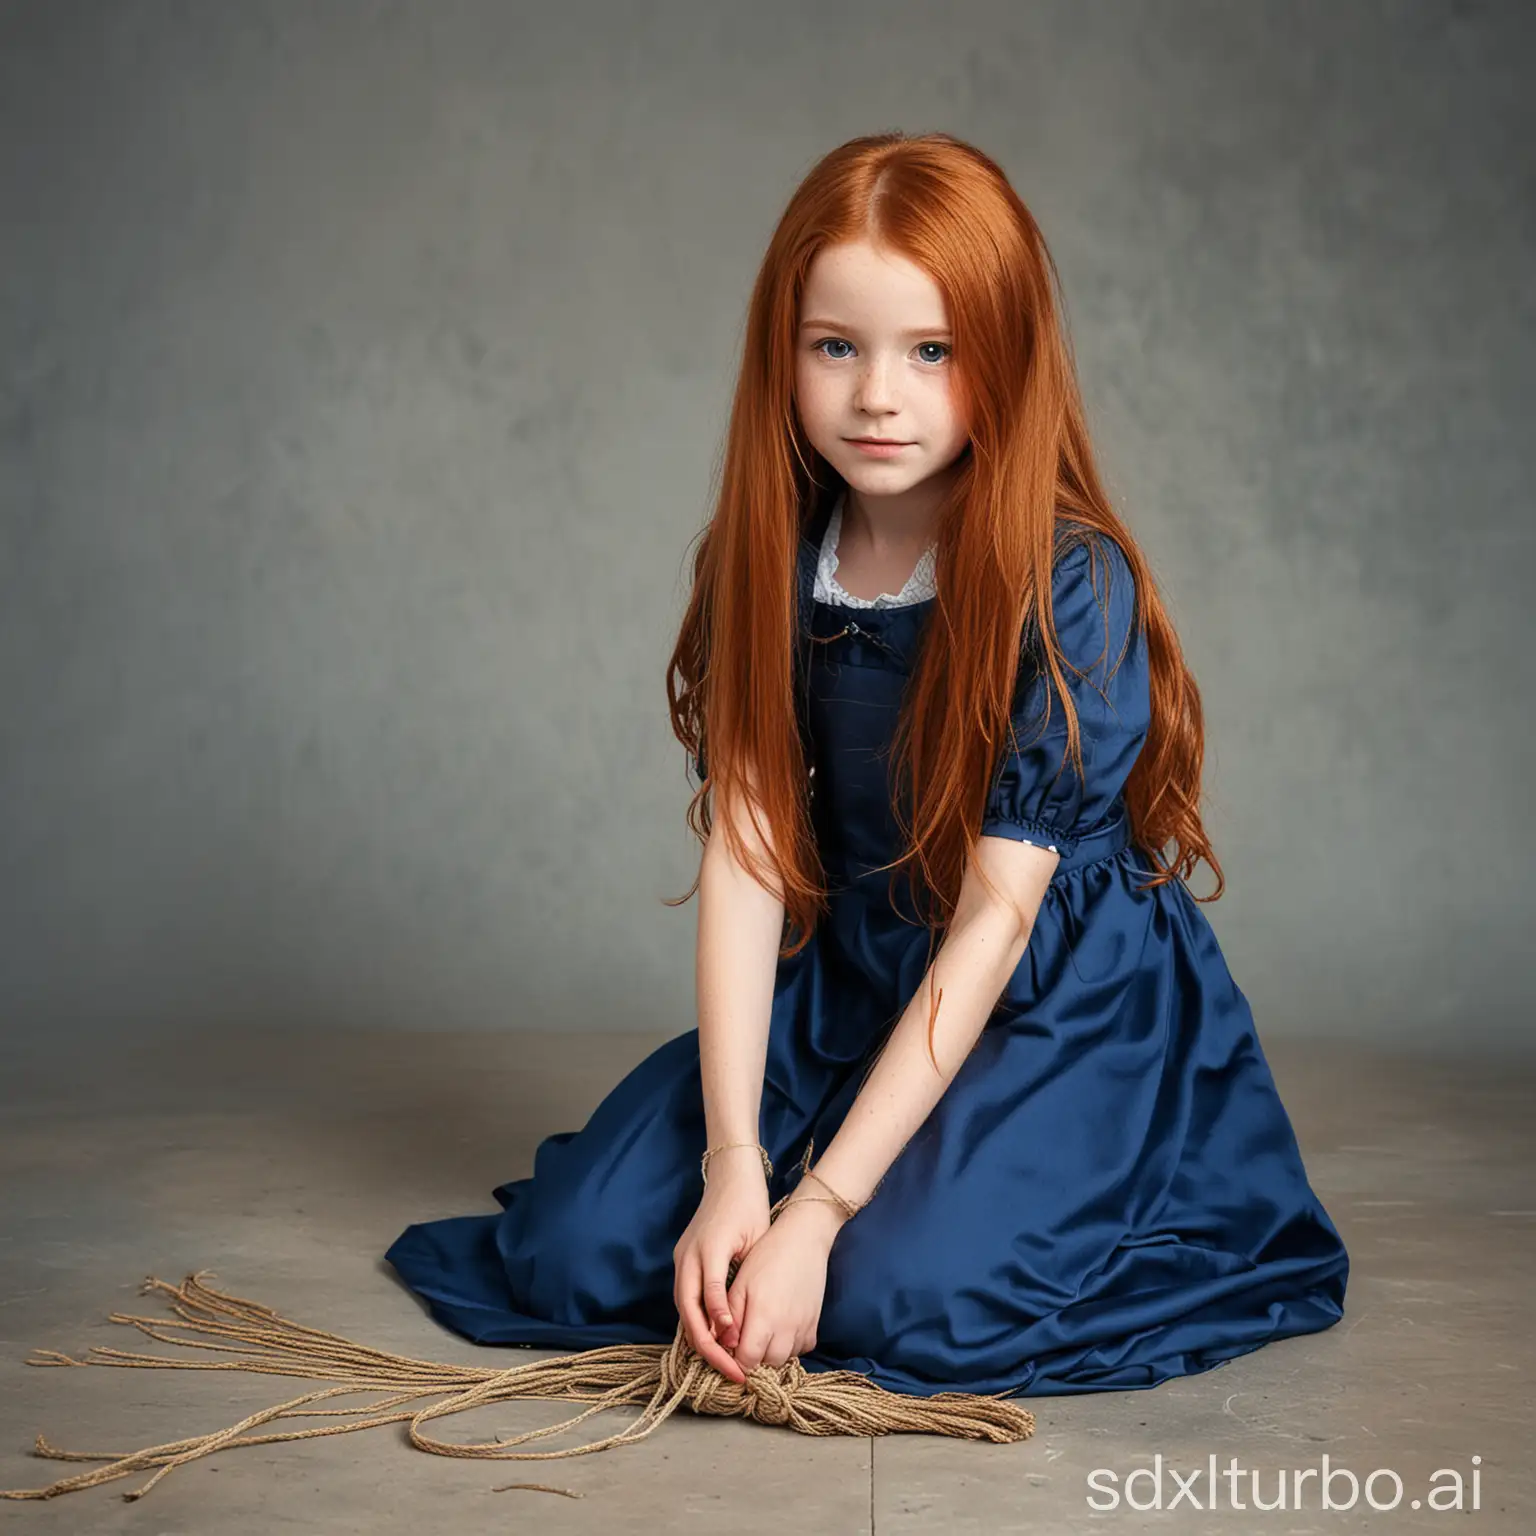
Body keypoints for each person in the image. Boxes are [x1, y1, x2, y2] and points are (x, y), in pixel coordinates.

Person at [385, 131, 1349, 1398]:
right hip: (851, 981)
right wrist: (737, 1163)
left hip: (1045, 1005)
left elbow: (996, 921)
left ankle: (957, 1201)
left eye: (931, 351)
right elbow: (746, 852)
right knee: (577, 1255)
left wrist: (825, 1205)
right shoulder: (774, 560)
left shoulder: (1072, 588)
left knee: (899, 1302)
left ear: (1003, 355)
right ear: (783, 352)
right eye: (836, 346)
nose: (877, 395)